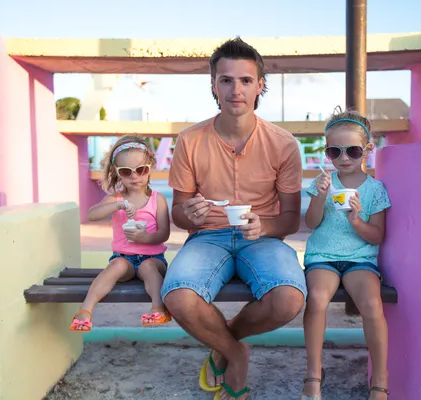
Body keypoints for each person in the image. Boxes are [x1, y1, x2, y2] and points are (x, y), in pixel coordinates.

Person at [161, 37, 306, 400]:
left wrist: (266, 226)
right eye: (226, 80)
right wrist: (189, 213)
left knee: (288, 299)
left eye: (245, 80)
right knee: (178, 297)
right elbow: (179, 214)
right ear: (213, 86)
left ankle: (227, 340)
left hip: (264, 239)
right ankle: (236, 354)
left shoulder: (283, 144)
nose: (235, 89)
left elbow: (290, 219)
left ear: (260, 86)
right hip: (208, 237)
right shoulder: (190, 140)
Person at [300, 107, 391, 400]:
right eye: (334, 152)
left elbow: (377, 235)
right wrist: (320, 197)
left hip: (360, 258)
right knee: (316, 299)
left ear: (367, 149)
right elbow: (311, 223)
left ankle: (379, 379)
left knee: (372, 304)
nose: (344, 159)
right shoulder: (322, 183)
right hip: (323, 256)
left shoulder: (376, 190)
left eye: (352, 150)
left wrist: (356, 220)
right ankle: (313, 375)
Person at [69, 135, 171, 332]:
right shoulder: (116, 198)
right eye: (126, 172)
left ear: (150, 168)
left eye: (141, 170)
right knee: (116, 265)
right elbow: (92, 214)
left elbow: (164, 233)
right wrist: (116, 205)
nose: (135, 176)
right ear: (118, 174)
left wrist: (146, 238)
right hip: (124, 259)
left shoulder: (157, 200)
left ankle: (159, 308)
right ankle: (85, 310)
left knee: (148, 266)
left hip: (153, 259)